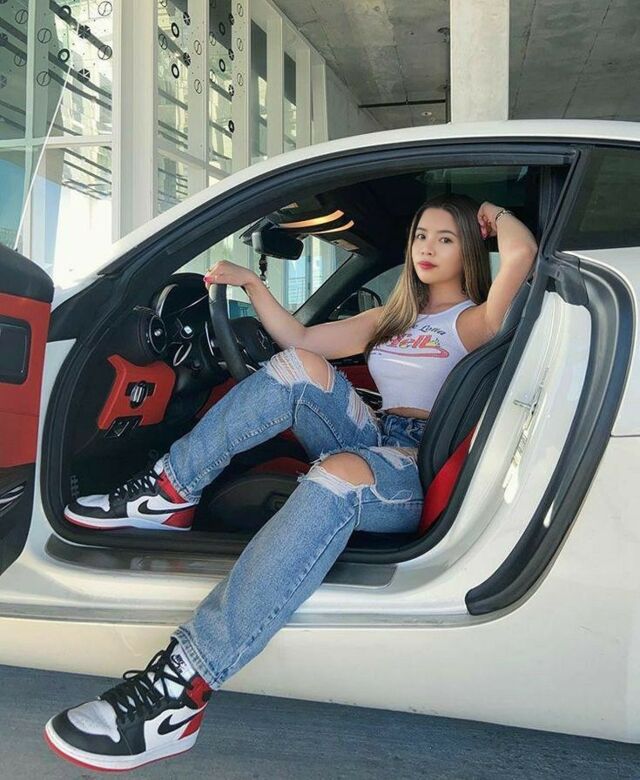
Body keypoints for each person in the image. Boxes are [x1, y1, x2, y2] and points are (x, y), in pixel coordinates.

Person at [45, 195, 538, 771]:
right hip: (375, 434)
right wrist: (252, 285)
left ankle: (182, 690)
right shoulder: (393, 317)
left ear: (469, 249)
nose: (427, 248)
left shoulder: (474, 321)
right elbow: (299, 339)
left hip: (414, 461)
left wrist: (495, 214)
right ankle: (169, 491)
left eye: (446, 238)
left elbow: (522, 253)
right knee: (298, 369)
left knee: (336, 475)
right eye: (421, 235)